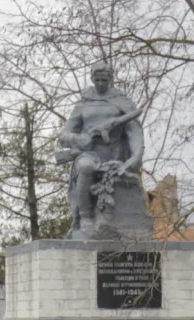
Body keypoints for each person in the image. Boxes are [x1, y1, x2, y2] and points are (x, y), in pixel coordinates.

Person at [56, 62, 146, 238]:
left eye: (104, 80)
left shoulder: (121, 103)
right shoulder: (83, 104)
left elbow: (134, 132)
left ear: (110, 79)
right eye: (97, 80)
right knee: (85, 167)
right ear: (92, 79)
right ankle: (85, 217)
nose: (100, 84)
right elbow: (64, 136)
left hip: (115, 156)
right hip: (89, 154)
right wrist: (79, 139)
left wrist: (136, 156)